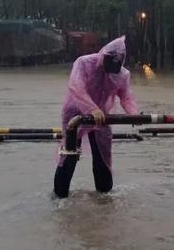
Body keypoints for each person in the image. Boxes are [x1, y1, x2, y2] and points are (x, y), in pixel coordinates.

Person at [53, 36, 138, 198]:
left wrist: (133, 114)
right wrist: (91, 108)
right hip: (75, 115)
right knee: (70, 155)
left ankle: (104, 196)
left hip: (102, 117)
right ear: (104, 56)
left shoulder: (123, 75)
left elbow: (126, 97)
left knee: (103, 156)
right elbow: (75, 86)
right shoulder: (84, 63)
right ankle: (60, 197)